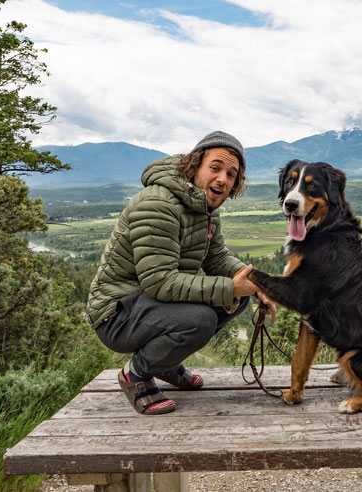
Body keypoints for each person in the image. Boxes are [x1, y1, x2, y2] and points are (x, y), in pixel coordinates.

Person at [85, 131, 275, 414]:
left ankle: (166, 363)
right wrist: (229, 288)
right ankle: (136, 374)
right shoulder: (158, 204)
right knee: (200, 318)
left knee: (239, 297)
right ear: (195, 165)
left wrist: (257, 282)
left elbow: (217, 257)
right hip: (116, 314)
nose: (223, 179)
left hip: (148, 306)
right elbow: (159, 282)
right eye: (215, 168)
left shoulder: (205, 206)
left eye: (231, 174)